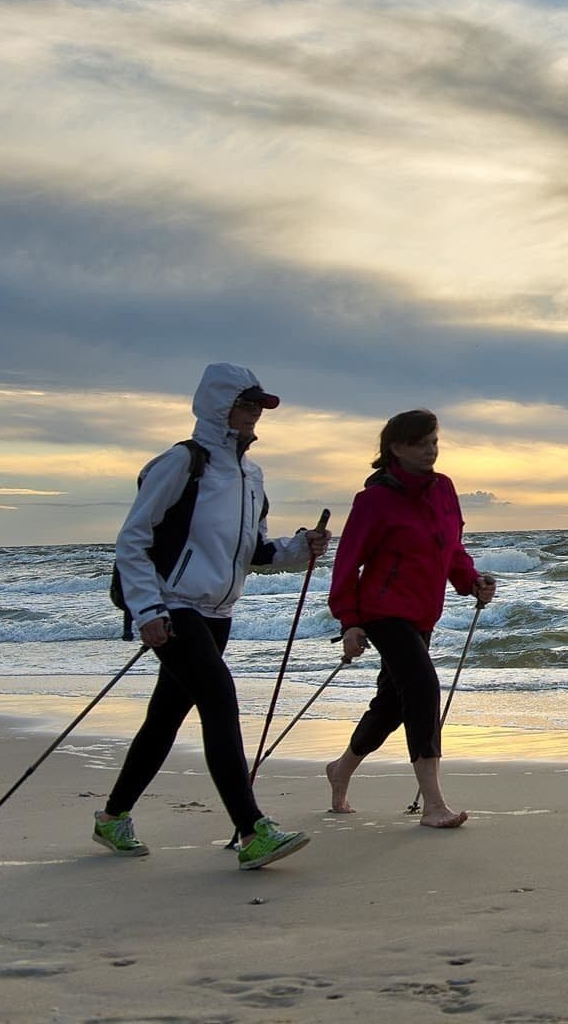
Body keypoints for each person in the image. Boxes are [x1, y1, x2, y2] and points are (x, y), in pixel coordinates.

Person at [95, 362, 330, 870]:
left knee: (164, 718)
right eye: (246, 405)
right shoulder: (182, 463)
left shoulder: (250, 474)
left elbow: (254, 551)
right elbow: (132, 541)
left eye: (258, 407)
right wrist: (147, 609)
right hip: (174, 607)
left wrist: (300, 548)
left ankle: (113, 817)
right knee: (220, 700)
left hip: (218, 611)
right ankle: (252, 831)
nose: (254, 416)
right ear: (219, 406)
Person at [324, 409, 496, 828]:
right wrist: (349, 621)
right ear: (396, 448)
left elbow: (450, 548)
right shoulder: (374, 501)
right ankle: (434, 805)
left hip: (423, 613)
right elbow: (347, 565)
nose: (430, 451)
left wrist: (471, 580)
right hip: (383, 613)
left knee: (391, 704)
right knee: (422, 687)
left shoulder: (444, 489)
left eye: (434, 442)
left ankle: (341, 769)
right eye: (420, 444)